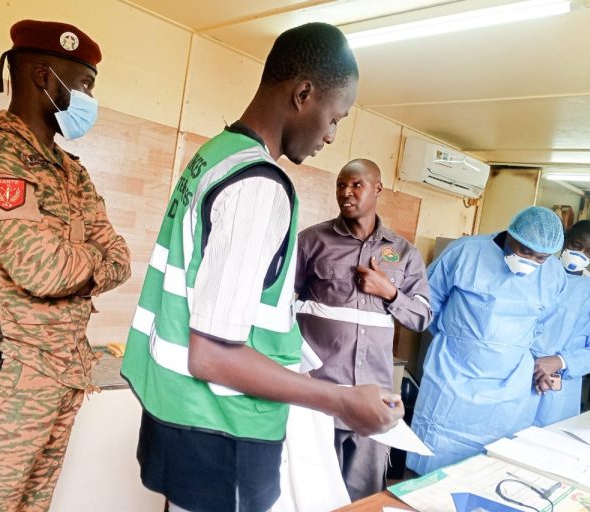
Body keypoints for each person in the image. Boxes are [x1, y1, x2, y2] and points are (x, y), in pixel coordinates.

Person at [121, 23, 403, 512]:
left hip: (179, 417)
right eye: (334, 118)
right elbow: (211, 356)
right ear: (303, 94)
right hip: (221, 431)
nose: (330, 136)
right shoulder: (259, 185)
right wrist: (340, 400)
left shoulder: (215, 154)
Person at [0, 20, 131, 511]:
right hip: (11, 380)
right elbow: (43, 270)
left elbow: (121, 257)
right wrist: (91, 263)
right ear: (44, 76)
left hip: (66, 372)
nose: (89, 98)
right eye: (84, 84)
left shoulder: (71, 170)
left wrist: (81, 264)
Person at [295, 158, 432, 500]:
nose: (347, 192)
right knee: (313, 493)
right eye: (341, 185)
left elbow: (421, 317)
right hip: (321, 395)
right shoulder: (311, 242)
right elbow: (280, 305)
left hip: (374, 399)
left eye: (357, 185)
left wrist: (389, 292)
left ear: (378, 189)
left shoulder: (403, 253)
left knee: (364, 495)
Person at [406, 206, 566, 475]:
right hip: (453, 372)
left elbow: (542, 325)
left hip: (510, 384)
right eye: (524, 250)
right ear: (511, 233)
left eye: (540, 257)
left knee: (492, 466)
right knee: (433, 457)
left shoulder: (553, 274)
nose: (530, 261)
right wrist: (463, 340)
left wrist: (536, 365)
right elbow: (427, 303)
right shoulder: (465, 252)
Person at [532, 220, 590, 426]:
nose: (580, 254)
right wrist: (527, 362)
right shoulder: (533, 273)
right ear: (565, 240)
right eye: (576, 245)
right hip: (516, 372)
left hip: (558, 388)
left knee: (546, 440)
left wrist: (561, 361)